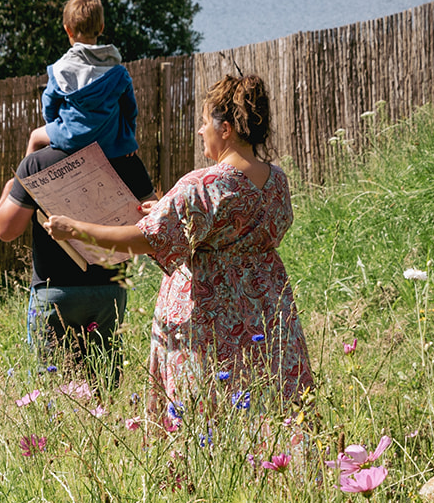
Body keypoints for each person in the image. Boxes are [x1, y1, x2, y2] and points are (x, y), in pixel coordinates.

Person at [43, 74, 313, 408]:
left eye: (204, 123)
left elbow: (144, 239)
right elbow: (238, 227)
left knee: (210, 413)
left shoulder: (201, 183)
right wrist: (166, 211)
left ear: (225, 128)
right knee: (267, 401)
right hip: (268, 310)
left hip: (211, 317)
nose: (201, 131)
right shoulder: (277, 180)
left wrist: (75, 229)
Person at [0, 146, 155, 382]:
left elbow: (6, 230)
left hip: (54, 290)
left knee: (54, 390)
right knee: (103, 384)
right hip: (110, 291)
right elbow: (156, 221)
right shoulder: (125, 159)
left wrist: (11, 188)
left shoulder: (36, 164)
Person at [25, 0, 138, 159]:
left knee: (35, 137)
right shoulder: (118, 72)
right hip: (108, 141)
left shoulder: (61, 69)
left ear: (67, 30)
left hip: (71, 138)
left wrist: (56, 127)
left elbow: (49, 105)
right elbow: (130, 110)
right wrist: (128, 139)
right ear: (101, 27)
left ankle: (25, 182)